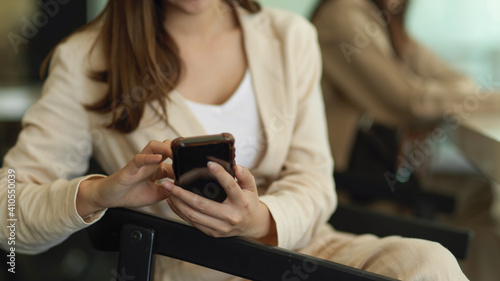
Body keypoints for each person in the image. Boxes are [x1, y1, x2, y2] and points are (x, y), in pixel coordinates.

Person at [0, 0, 469, 280]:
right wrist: (99, 192)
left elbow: (313, 181)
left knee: (427, 262)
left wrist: (259, 219)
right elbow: (8, 215)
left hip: (306, 250)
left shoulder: (289, 38)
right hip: (196, 267)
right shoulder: (86, 59)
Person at [311, 0, 496, 212]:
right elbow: (411, 103)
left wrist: (429, 108)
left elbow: (460, 82)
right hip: (354, 185)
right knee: (478, 196)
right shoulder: (342, 18)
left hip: (386, 169)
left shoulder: (383, 20)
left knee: (481, 191)